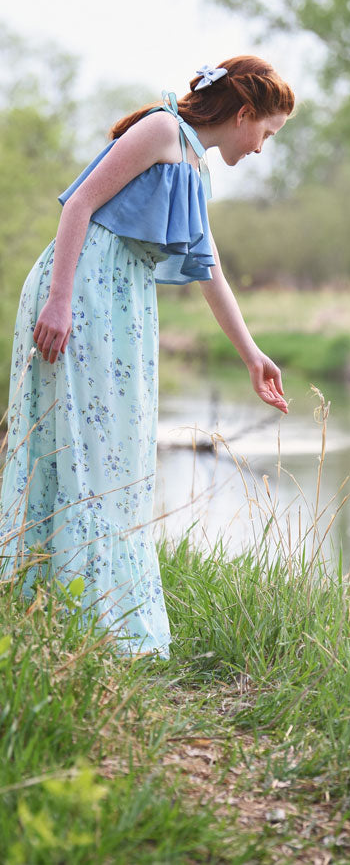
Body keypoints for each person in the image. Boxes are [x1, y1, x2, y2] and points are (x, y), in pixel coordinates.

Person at [0, 56, 294, 660]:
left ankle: (94, 621)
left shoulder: (194, 164)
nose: (263, 148)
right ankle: (54, 609)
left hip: (123, 306)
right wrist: (58, 303)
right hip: (78, 292)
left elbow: (207, 268)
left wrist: (251, 355)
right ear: (243, 115)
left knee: (116, 456)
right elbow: (78, 206)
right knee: (77, 448)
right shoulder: (161, 131)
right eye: (267, 132)